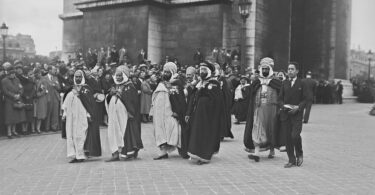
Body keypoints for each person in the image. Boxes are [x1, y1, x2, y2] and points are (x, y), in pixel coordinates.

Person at [186, 61, 224, 164]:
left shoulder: (214, 84)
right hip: (197, 115)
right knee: (196, 134)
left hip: (208, 117)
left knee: (204, 135)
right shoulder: (199, 83)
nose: (202, 72)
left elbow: (215, 101)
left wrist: (203, 94)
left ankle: (203, 156)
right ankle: (195, 153)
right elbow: (193, 99)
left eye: (204, 70)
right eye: (201, 70)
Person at [245, 58, 282, 162]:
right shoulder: (257, 82)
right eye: (263, 69)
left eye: (267, 69)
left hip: (272, 109)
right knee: (257, 127)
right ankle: (256, 152)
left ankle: (271, 149)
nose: (265, 71)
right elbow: (251, 93)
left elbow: (281, 94)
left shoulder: (276, 82)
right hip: (259, 107)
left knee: (271, 129)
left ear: (270, 69)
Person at [62, 69, 102, 163]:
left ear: (83, 77)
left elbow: (89, 104)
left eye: (80, 76)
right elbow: (66, 104)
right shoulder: (71, 89)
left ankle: (80, 155)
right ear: (74, 77)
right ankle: (74, 155)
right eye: (76, 76)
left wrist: (88, 114)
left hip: (82, 117)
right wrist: (64, 114)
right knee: (71, 135)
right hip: (71, 118)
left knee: (80, 136)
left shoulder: (86, 89)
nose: (78, 78)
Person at [105, 66, 143, 161]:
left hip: (126, 116)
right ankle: (115, 153)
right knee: (113, 133)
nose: (117, 77)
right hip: (114, 116)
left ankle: (127, 152)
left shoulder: (130, 86)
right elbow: (109, 98)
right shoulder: (114, 85)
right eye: (116, 75)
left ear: (125, 75)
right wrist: (110, 94)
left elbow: (133, 102)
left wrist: (130, 112)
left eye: (119, 75)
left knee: (125, 133)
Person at [150, 62, 183, 160]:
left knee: (174, 131)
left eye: (167, 72)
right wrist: (152, 111)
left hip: (170, 112)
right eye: (164, 71)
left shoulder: (177, 82)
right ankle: (163, 152)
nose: (165, 74)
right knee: (160, 132)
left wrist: (177, 111)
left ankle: (183, 150)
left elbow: (179, 99)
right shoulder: (161, 83)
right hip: (159, 113)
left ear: (172, 72)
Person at [279, 62, 307, 168]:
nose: (290, 71)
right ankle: (291, 159)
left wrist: (298, 107)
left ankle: (299, 153)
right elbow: (280, 98)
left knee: (295, 136)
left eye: (292, 69)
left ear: (297, 71)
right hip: (286, 114)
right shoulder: (284, 83)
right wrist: (283, 106)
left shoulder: (302, 83)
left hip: (297, 114)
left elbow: (306, 99)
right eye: (289, 69)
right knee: (287, 138)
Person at [1, 66, 26, 138]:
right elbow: (5, 91)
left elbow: (21, 88)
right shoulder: (4, 81)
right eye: (11, 73)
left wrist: (19, 94)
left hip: (17, 100)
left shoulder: (17, 79)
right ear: (8, 73)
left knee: (16, 116)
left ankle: (14, 131)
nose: (13, 75)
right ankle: (9, 133)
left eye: (14, 73)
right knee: (9, 117)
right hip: (9, 101)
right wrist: (13, 96)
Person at [43, 65, 61, 132]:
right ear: (49, 70)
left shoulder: (56, 78)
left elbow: (59, 87)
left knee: (55, 112)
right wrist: (52, 84)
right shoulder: (44, 78)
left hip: (55, 97)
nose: (55, 71)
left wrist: (54, 85)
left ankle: (54, 126)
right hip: (48, 96)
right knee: (48, 112)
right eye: (54, 69)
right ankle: (47, 127)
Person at [34, 69, 48, 134]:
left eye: (38, 73)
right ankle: (36, 128)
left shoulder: (43, 80)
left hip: (41, 98)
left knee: (40, 113)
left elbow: (44, 90)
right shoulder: (35, 80)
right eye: (36, 74)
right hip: (35, 98)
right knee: (36, 113)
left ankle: (38, 128)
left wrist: (38, 94)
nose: (37, 75)